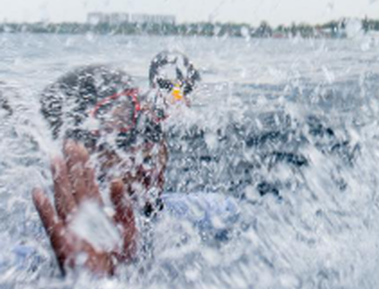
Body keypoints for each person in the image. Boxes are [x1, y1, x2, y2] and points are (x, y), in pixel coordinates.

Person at [24, 51, 234, 276]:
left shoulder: (206, 214)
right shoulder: (32, 253)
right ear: (71, 158)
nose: (147, 147)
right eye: (122, 136)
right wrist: (88, 286)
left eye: (151, 128)